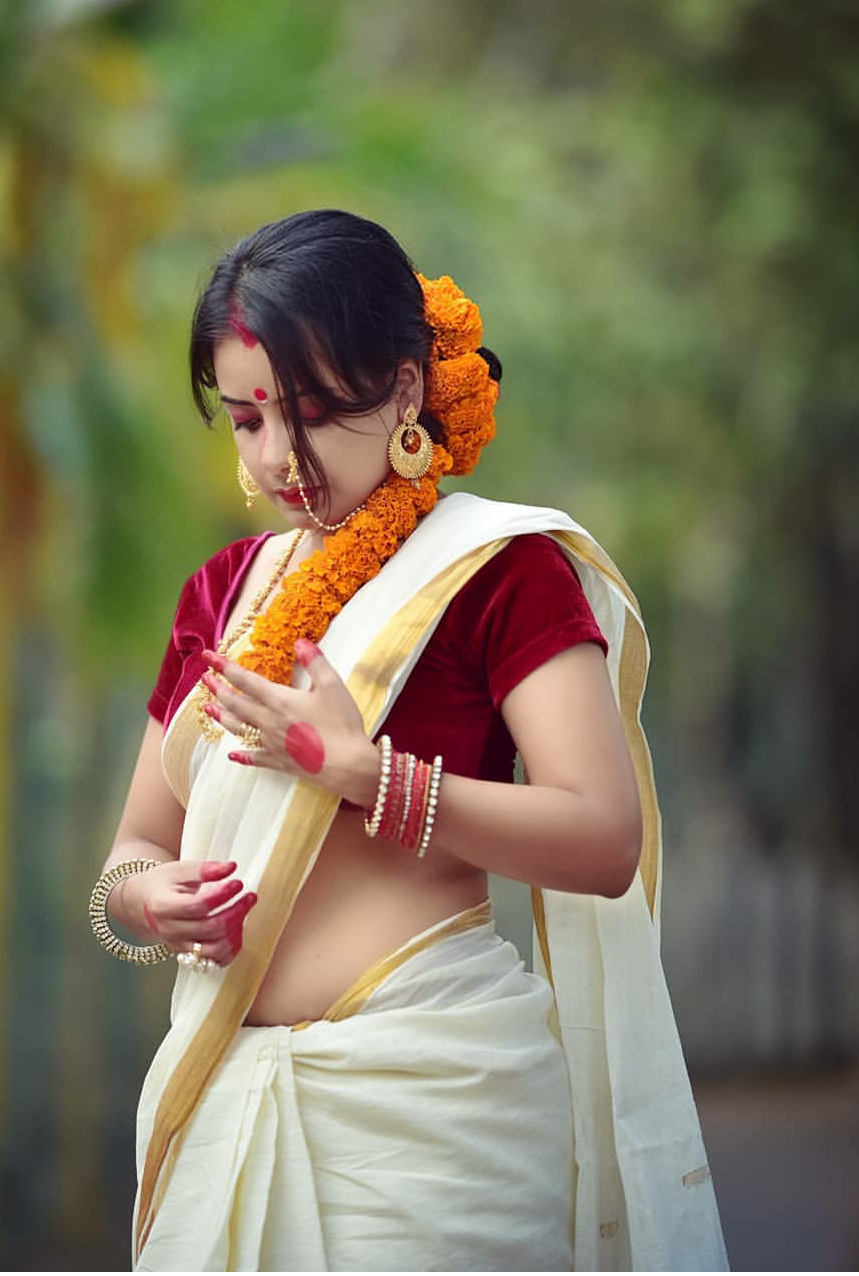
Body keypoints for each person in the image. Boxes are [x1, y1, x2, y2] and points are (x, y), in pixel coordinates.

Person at [91, 209, 727, 1272]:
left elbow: (603, 833)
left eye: (309, 411)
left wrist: (363, 772)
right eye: (247, 420)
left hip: (437, 1111)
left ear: (402, 390)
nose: (279, 456)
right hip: (227, 1101)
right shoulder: (223, 595)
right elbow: (127, 855)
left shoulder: (498, 572)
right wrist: (146, 904)